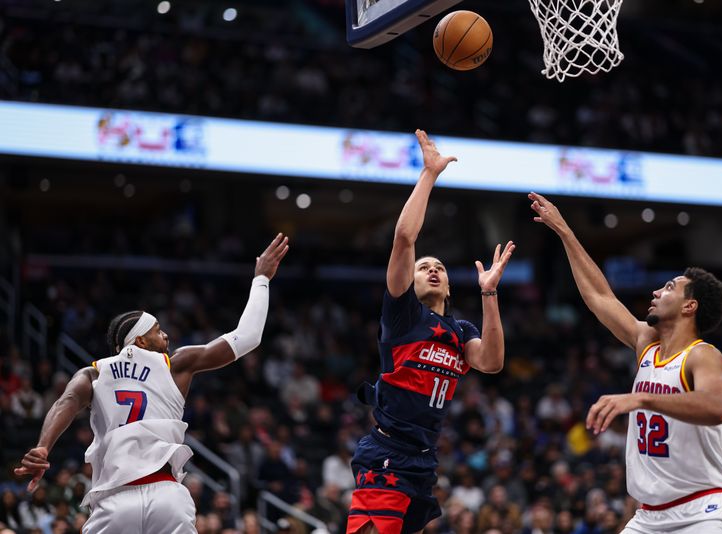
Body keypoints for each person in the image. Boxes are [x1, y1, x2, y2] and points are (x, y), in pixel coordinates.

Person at [14, 233, 290, 534]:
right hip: (166, 497)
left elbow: (65, 402)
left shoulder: (94, 373)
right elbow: (248, 337)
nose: (166, 337)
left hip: (114, 502)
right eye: (159, 331)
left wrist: (43, 447)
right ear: (141, 339)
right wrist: (261, 279)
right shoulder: (176, 364)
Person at [529, 192, 722, 533]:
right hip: (648, 516)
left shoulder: (702, 355)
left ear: (689, 307)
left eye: (670, 288)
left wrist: (641, 398)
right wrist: (565, 232)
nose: (657, 292)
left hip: (705, 510)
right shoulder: (646, 342)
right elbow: (600, 296)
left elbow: (717, 406)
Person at [347, 130, 515, 534]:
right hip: (386, 450)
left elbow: (491, 362)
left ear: (450, 286)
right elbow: (405, 238)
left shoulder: (461, 330)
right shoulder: (404, 315)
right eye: (424, 267)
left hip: (424, 457)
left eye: (439, 266)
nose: (433, 269)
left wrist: (489, 292)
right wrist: (429, 174)